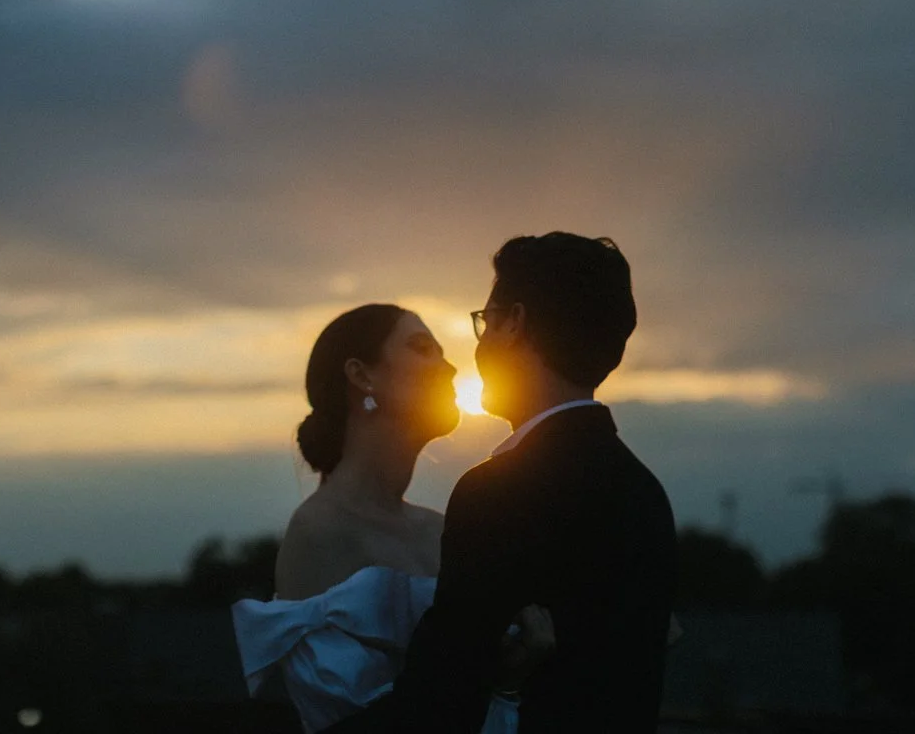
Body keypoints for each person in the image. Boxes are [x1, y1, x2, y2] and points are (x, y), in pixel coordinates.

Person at [325, 233, 677, 733]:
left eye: (485, 322)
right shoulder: (645, 493)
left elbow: (439, 699)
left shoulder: (499, 494)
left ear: (514, 322)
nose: (481, 341)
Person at [232, 304, 555, 733]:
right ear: (362, 376)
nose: (451, 367)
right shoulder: (320, 532)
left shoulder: (441, 529)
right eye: (422, 349)